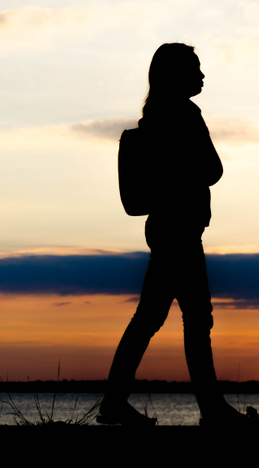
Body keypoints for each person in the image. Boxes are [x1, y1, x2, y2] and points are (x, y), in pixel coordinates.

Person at [98, 43, 250, 427]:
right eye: (195, 69)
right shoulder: (185, 115)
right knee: (194, 320)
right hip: (180, 231)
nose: (201, 76)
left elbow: (146, 195)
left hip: (167, 229)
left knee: (154, 318)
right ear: (175, 75)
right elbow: (212, 170)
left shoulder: (151, 124)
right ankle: (211, 409)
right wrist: (185, 174)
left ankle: (117, 402)